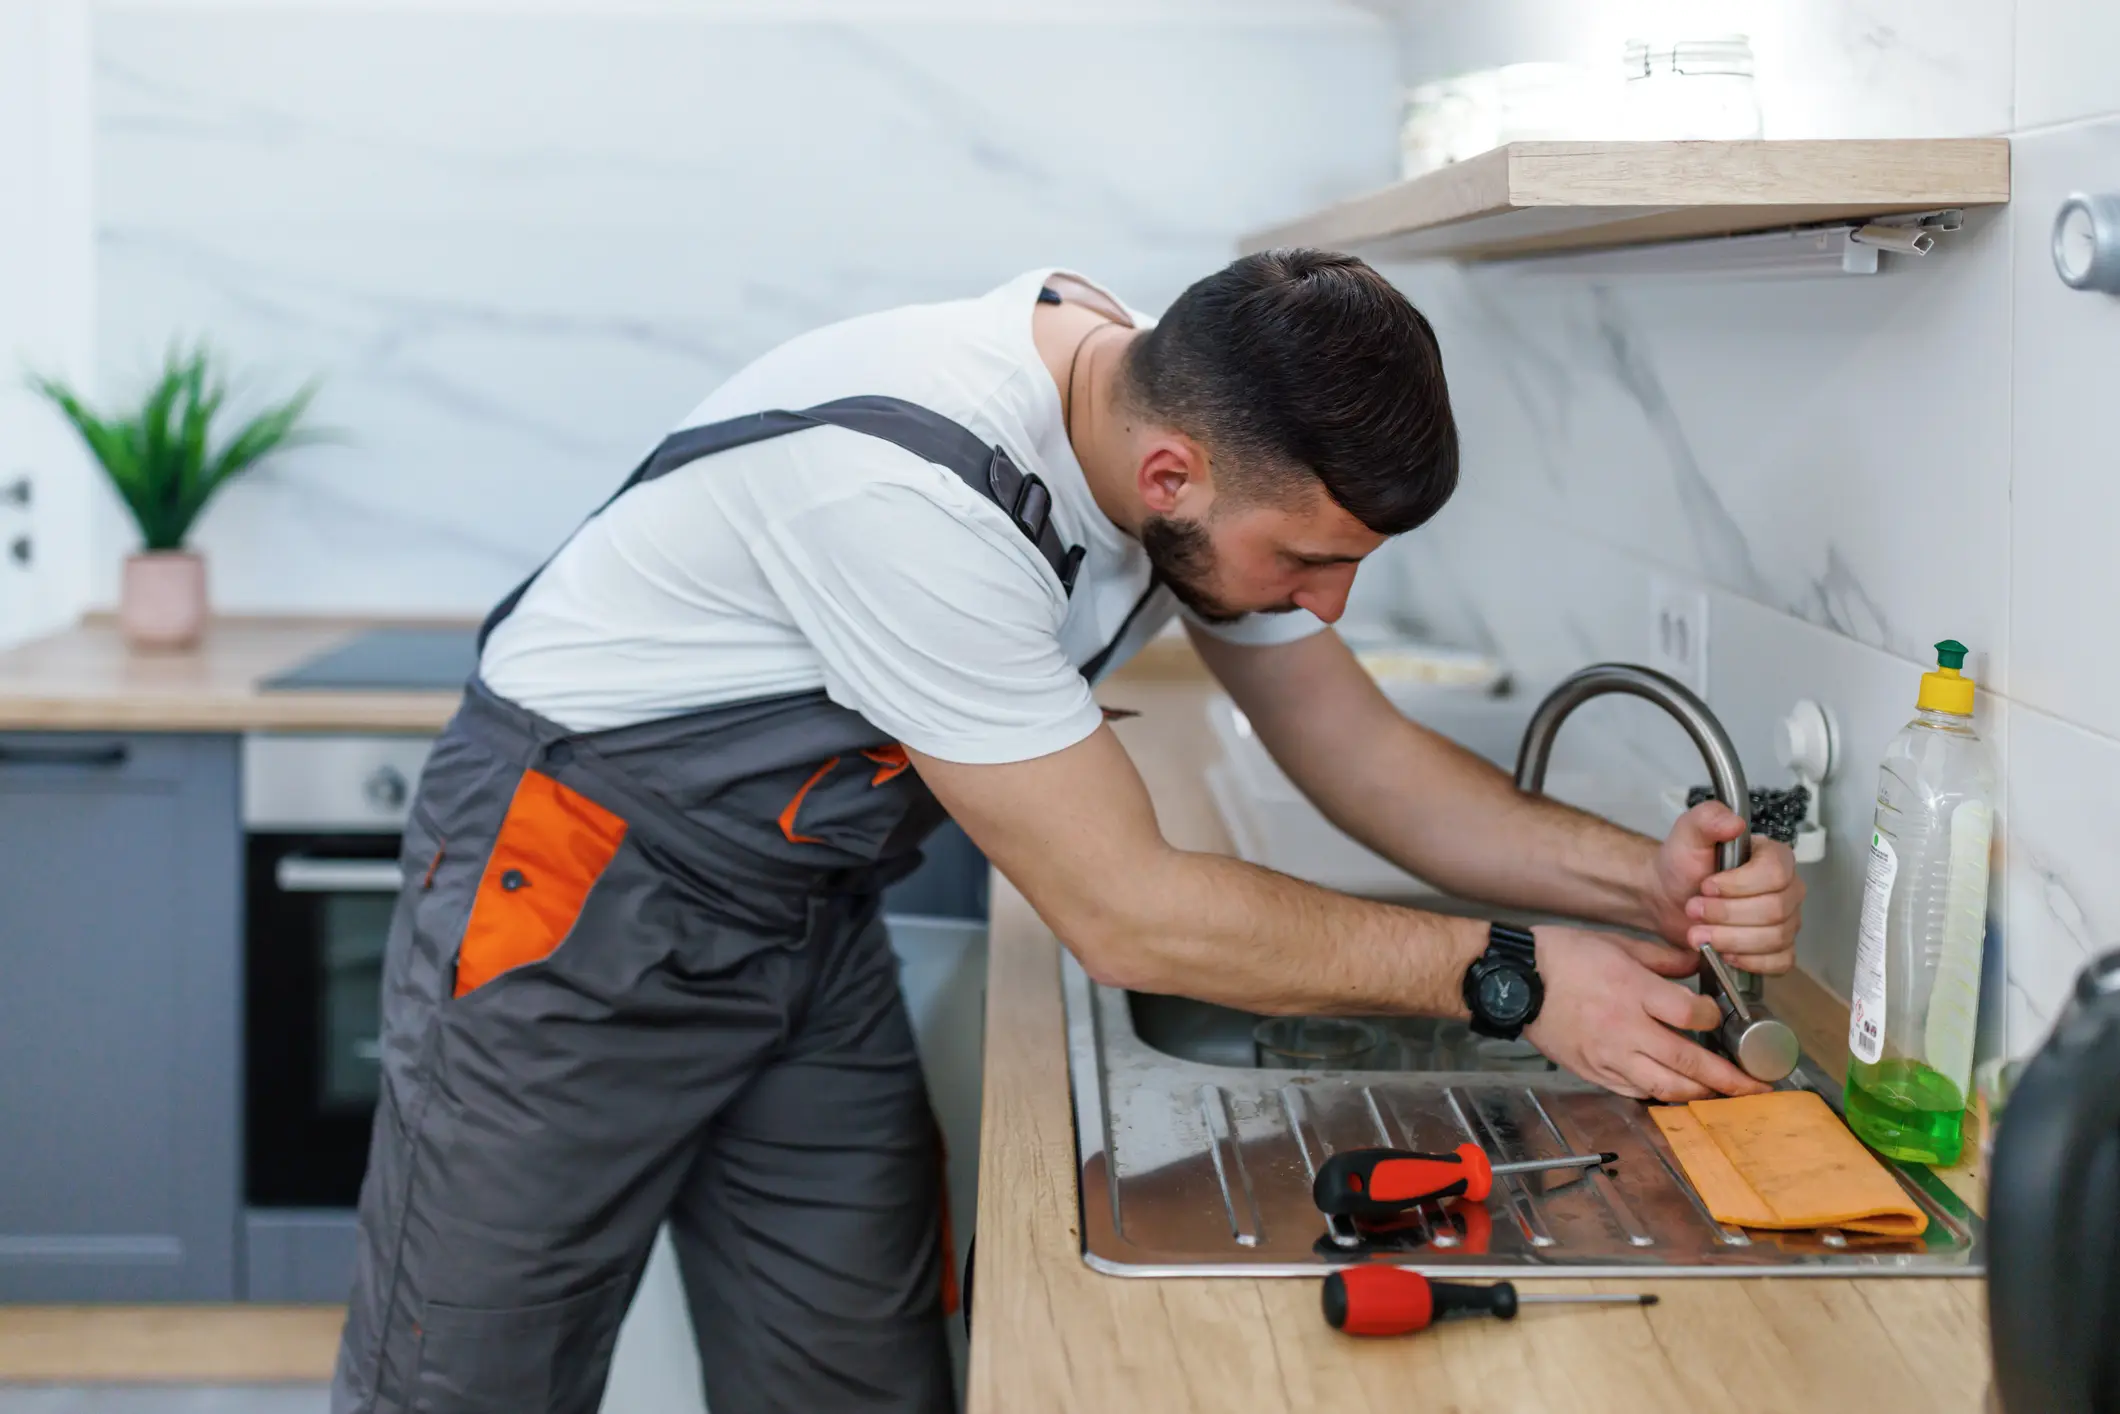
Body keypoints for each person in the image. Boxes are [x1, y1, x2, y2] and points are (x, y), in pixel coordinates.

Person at [331, 250, 1803, 1414]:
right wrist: (1516, 974)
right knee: (473, 1380)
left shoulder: (1174, 412)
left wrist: (1640, 881)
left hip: (803, 917)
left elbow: (1360, 756)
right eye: (1308, 561)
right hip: (579, 894)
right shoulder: (913, 495)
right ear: (1170, 479)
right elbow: (1129, 914)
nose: (1329, 603)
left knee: (853, 1378)